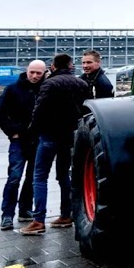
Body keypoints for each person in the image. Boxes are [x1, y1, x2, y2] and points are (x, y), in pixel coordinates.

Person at [21, 53, 89, 235]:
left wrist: (32, 132)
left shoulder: (49, 84)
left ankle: (38, 220)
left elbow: (39, 110)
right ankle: (66, 215)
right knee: (64, 176)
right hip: (70, 137)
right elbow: (86, 110)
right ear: (70, 65)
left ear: (53, 66)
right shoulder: (81, 83)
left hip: (49, 135)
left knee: (40, 176)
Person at [0, 60, 45, 230]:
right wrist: (12, 132)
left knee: (32, 177)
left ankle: (25, 209)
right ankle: (7, 214)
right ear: (27, 71)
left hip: (37, 140)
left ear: (44, 73)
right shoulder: (12, 89)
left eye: (39, 73)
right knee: (14, 177)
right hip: (19, 140)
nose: (34, 76)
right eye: (32, 72)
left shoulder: (45, 89)